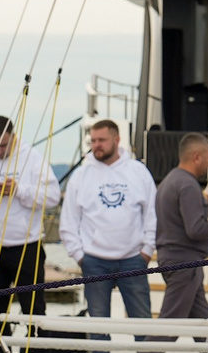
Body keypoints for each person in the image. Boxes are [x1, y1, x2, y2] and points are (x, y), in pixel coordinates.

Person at [61, 118, 157, 334]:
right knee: (97, 327)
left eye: (102, 140)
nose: (97, 145)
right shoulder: (81, 175)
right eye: (93, 140)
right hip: (94, 261)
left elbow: (152, 214)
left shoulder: (137, 171)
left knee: (143, 324)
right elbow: (68, 221)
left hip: (133, 259)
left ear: (117, 140)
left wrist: (147, 251)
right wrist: (79, 255)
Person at [0, 114, 60, 317]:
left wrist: (18, 190)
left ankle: (35, 348)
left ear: (13, 137)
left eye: (4, 145)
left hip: (26, 246)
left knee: (33, 308)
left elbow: (52, 197)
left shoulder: (32, 157)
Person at [155, 132, 208, 318]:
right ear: (197, 157)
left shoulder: (169, 181)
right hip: (184, 264)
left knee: (203, 323)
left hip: (177, 261)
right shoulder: (188, 185)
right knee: (169, 326)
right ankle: (148, 349)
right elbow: (196, 229)